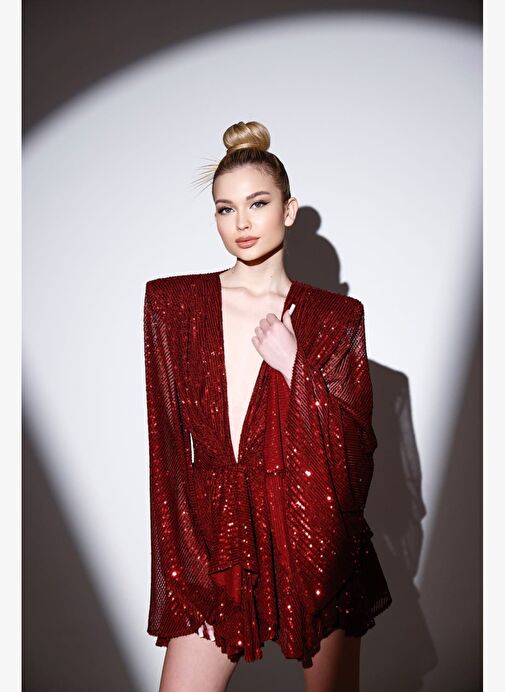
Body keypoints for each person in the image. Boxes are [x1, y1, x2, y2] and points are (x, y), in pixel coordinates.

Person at [143, 121, 392, 692]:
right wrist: (182, 566)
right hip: (219, 541)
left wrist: (294, 366)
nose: (242, 223)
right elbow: (167, 452)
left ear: (289, 209)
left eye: (258, 203)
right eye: (226, 209)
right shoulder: (173, 305)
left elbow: (357, 454)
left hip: (313, 531)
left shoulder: (336, 318)